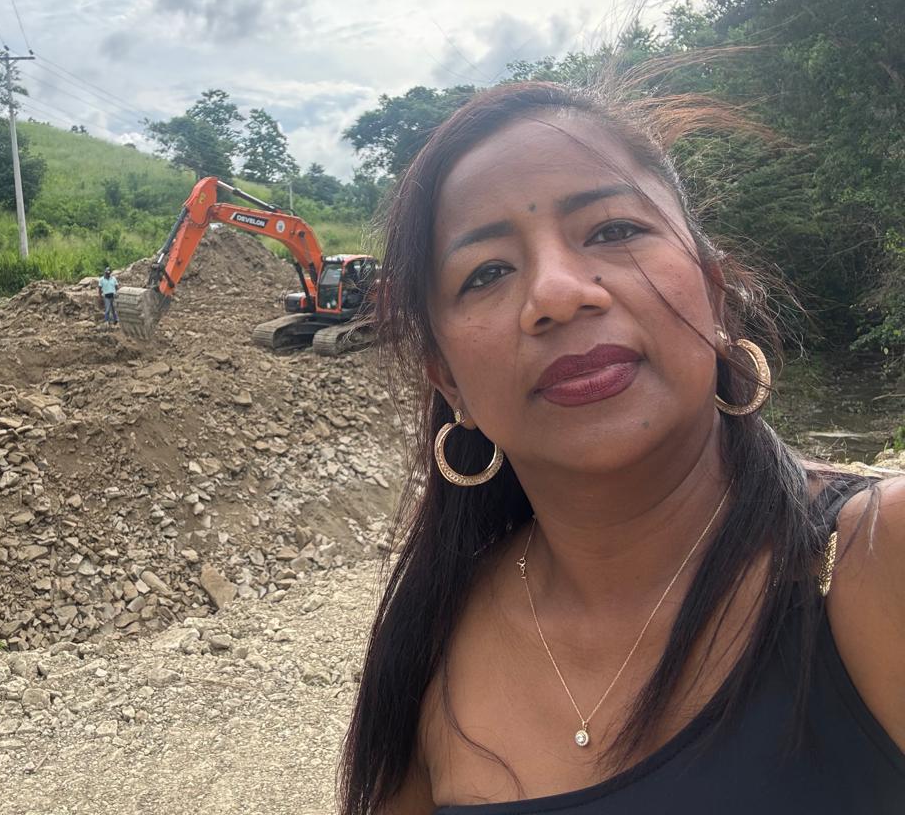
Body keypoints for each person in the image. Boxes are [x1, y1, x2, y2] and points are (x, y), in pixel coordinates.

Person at [340, 80, 905, 814]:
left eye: (612, 230)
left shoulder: (877, 561)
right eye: (488, 273)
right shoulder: (430, 647)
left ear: (713, 292)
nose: (557, 294)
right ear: (449, 380)